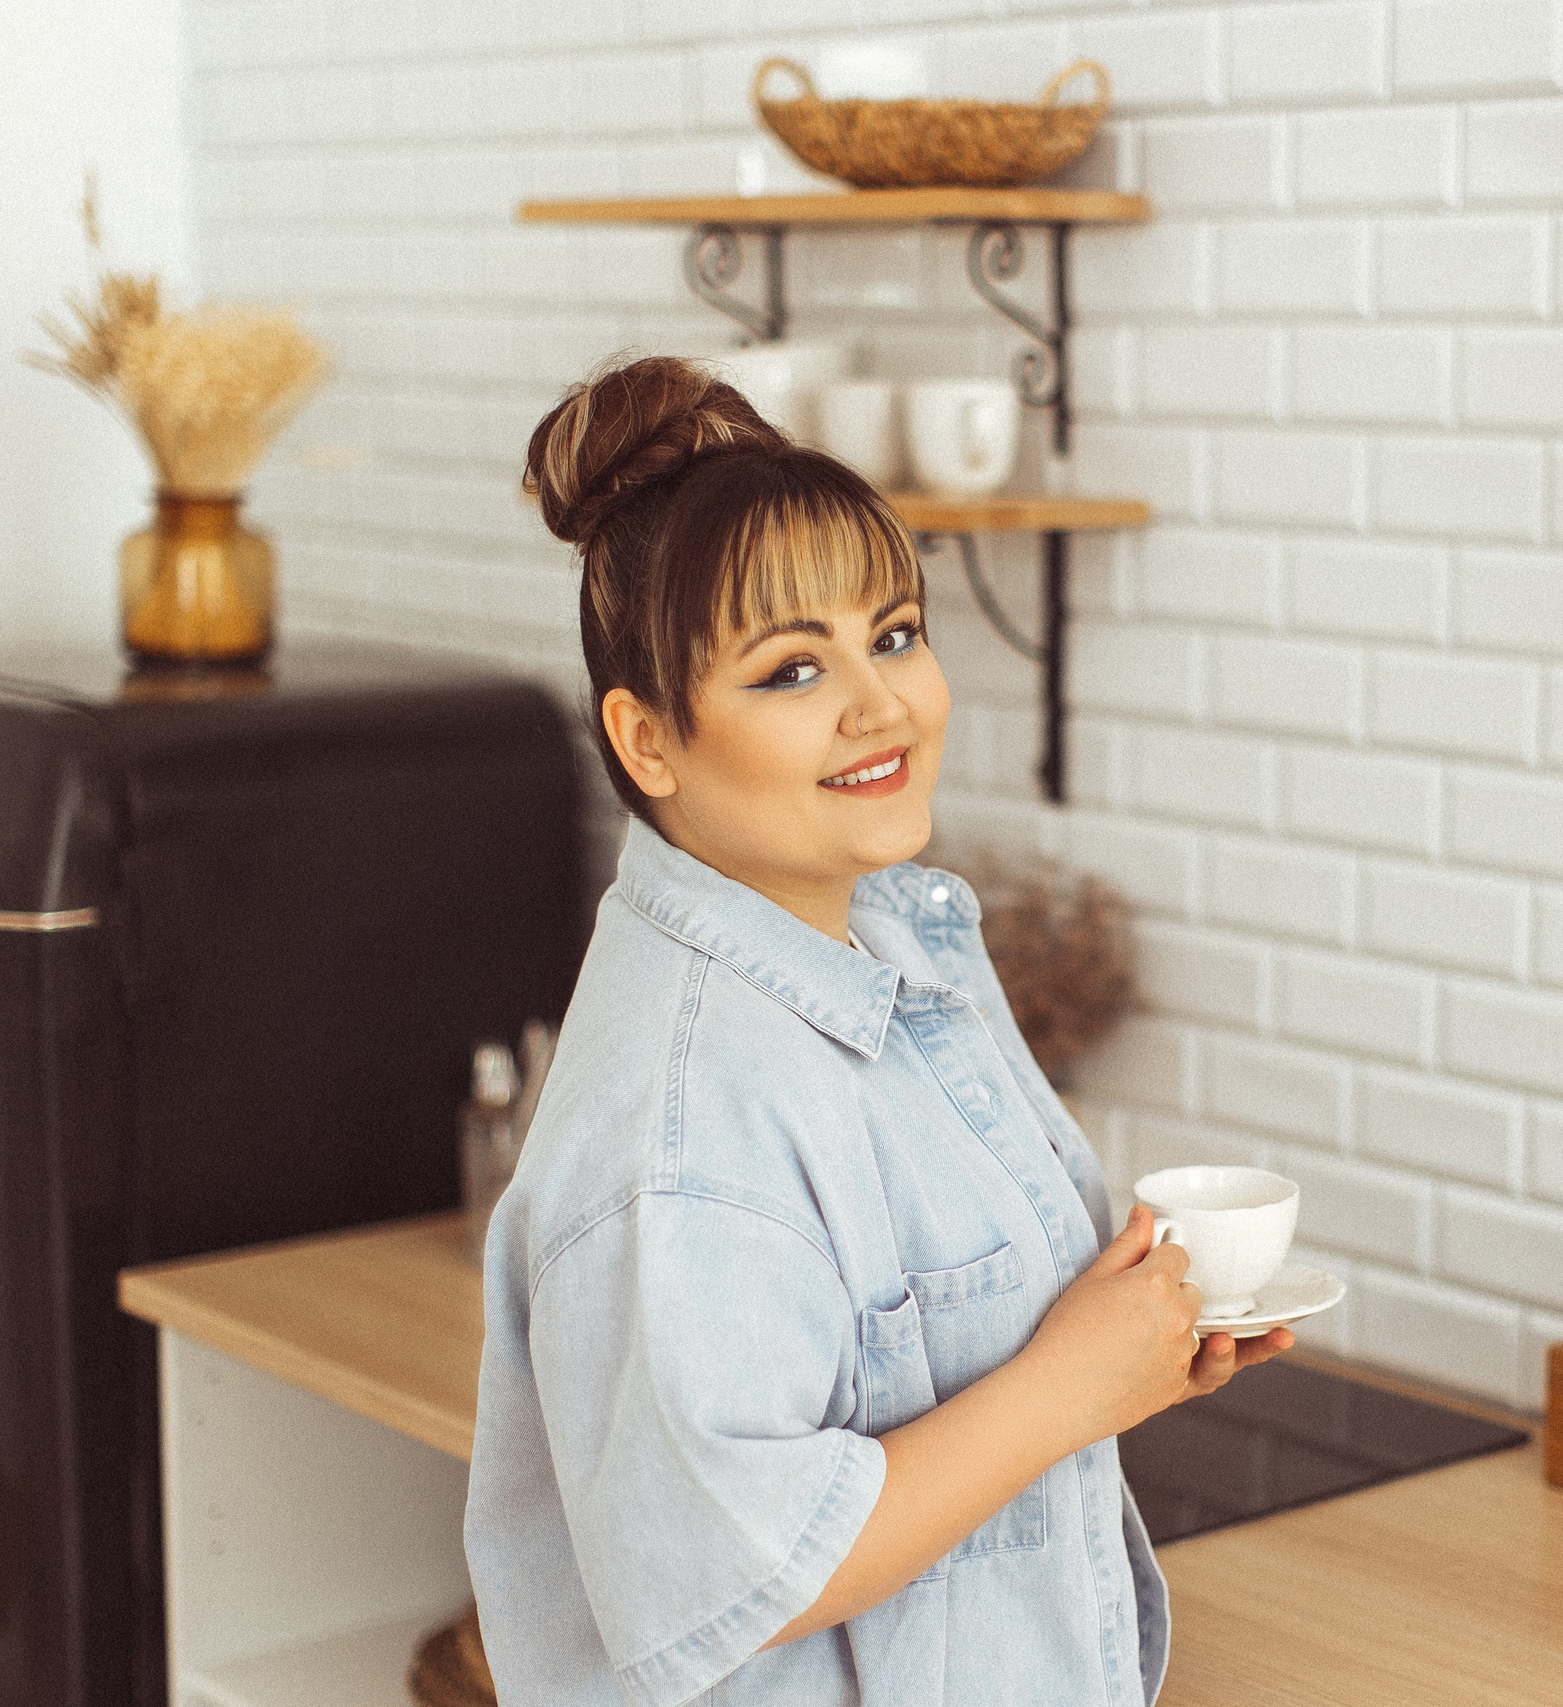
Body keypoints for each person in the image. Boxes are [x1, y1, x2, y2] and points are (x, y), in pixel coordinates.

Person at [463, 356, 1294, 1706]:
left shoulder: (897, 942)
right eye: (793, 669)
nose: (882, 704)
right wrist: (1073, 1389)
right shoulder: (681, 1122)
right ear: (649, 741)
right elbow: (733, 1572)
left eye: (894, 634)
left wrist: (1125, 1356)